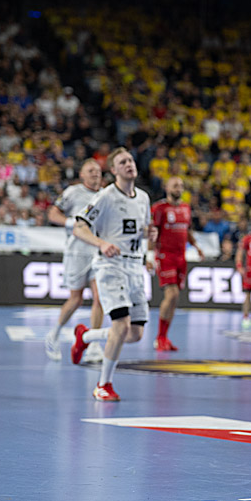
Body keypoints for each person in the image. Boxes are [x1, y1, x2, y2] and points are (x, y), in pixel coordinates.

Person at [69, 147, 155, 402]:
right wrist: (101, 243)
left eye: (130, 159)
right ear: (114, 170)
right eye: (122, 162)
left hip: (135, 268)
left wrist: (148, 245)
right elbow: (78, 228)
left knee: (135, 334)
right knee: (121, 325)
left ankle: (84, 336)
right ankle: (103, 385)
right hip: (111, 267)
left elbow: (142, 230)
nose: (129, 164)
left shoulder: (143, 198)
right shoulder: (106, 196)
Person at [44, 159, 104, 363]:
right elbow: (52, 213)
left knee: (100, 297)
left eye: (98, 170)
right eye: (90, 171)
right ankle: (54, 333)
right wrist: (69, 222)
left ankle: (94, 345)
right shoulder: (73, 192)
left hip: (98, 252)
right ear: (82, 175)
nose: (95, 174)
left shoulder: (106, 195)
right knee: (76, 299)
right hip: (77, 252)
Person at [150, 176, 203, 351]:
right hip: (165, 255)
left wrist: (196, 246)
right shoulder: (159, 208)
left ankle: (165, 337)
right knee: (171, 295)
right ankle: (159, 338)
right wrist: (150, 255)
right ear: (167, 187)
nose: (179, 188)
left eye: (181, 185)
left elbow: (186, 230)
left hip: (182, 256)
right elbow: (152, 231)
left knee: (175, 298)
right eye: (175, 185)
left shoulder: (186, 208)